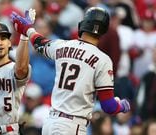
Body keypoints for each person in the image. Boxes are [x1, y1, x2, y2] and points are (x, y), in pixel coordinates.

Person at [11, 7, 131, 135]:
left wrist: (27, 29)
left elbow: (39, 43)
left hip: (50, 123)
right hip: (72, 125)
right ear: (103, 31)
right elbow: (108, 106)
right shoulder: (103, 60)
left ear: (83, 24)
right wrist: (122, 106)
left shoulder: (63, 45)